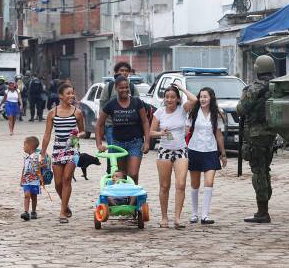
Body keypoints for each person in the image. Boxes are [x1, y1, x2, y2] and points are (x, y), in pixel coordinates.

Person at [149, 82, 197, 229]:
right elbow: (151, 133)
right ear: (164, 99)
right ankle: (164, 217)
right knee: (164, 186)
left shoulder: (183, 109)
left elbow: (194, 100)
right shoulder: (159, 113)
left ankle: (177, 218)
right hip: (164, 151)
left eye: (172, 97)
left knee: (181, 184)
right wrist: (160, 133)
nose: (169, 100)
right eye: (167, 97)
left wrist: (182, 88)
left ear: (177, 99)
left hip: (181, 151)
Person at [237, 55, 277, 224]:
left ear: (257, 69)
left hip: (255, 135)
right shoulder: (276, 86)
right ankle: (264, 206)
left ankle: (262, 212)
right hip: (271, 134)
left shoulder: (254, 89)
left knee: (258, 172)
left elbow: (241, 109)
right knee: (265, 169)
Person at [40, 82, 85, 223]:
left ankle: (62, 212)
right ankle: (65, 205)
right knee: (58, 183)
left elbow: (83, 131)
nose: (71, 96)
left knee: (67, 179)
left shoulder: (77, 112)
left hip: (73, 148)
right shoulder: (52, 113)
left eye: (72, 93)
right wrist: (42, 154)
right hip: (58, 149)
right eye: (68, 93)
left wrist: (78, 135)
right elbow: (47, 134)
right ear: (61, 96)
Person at [95, 75, 151, 188]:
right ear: (116, 88)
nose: (125, 90)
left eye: (127, 87)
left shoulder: (136, 102)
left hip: (135, 142)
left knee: (133, 174)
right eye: (121, 88)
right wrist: (99, 143)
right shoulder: (111, 104)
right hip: (118, 144)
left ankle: (133, 199)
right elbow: (99, 124)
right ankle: (123, 199)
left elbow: (145, 122)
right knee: (122, 175)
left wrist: (147, 142)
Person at [187, 87, 227, 225]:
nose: (203, 99)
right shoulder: (194, 112)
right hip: (194, 150)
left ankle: (205, 215)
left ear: (211, 98)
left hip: (211, 151)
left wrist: (223, 153)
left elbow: (219, 134)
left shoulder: (217, 113)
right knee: (195, 184)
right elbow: (186, 130)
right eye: (201, 96)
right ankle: (194, 213)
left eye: (206, 97)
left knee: (209, 182)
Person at [99, 62, 140, 173]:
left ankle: (124, 176)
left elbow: (138, 107)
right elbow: (102, 107)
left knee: (127, 154)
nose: (124, 72)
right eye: (121, 70)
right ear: (116, 72)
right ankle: (111, 173)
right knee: (113, 150)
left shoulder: (132, 87)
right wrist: (101, 129)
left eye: (126, 70)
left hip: (129, 127)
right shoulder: (109, 86)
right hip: (111, 126)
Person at [20, 136, 42, 221]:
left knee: (34, 196)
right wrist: (21, 178)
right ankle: (26, 212)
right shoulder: (25, 157)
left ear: (29, 146)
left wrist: (40, 177)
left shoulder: (37, 156)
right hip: (26, 180)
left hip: (35, 180)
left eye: (24, 145)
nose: (23, 147)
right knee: (26, 195)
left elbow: (40, 167)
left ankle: (33, 211)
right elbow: (24, 167)